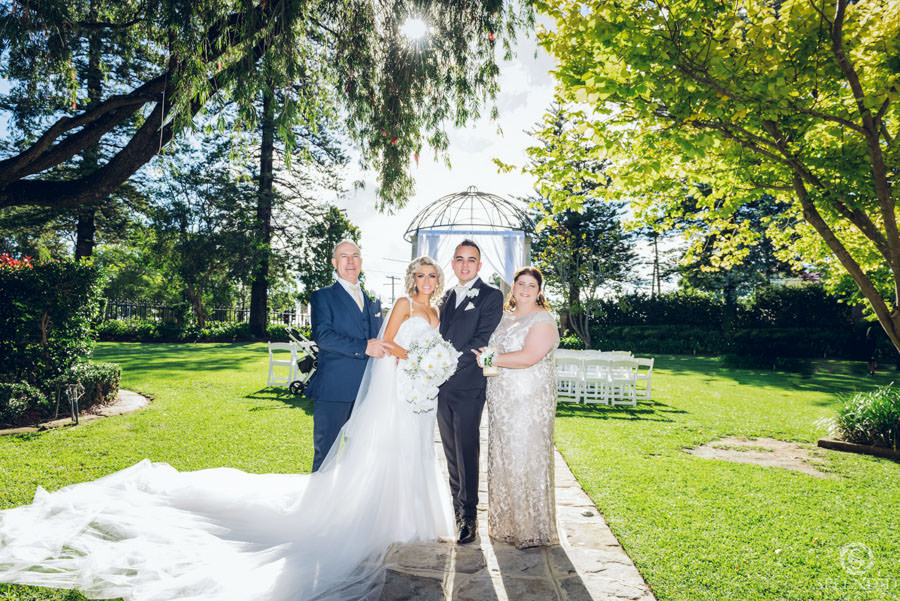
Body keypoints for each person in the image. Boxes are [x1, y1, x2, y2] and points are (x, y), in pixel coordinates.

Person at [0, 257, 456, 601]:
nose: (426, 281)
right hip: (380, 390)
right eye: (421, 275)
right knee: (359, 456)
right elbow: (379, 342)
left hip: (415, 396)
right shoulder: (386, 302)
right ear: (412, 277)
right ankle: (358, 519)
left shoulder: (421, 309)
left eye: (432, 276)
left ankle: (409, 518)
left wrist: (428, 367)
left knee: (402, 454)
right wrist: (414, 359)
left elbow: (402, 345)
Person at [474, 266, 560, 549]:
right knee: (504, 457)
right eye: (520, 283)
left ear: (539, 291)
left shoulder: (543, 319)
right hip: (502, 400)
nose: (524, 289)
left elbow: (529, 357)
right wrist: (485, 357)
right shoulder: (504, 317)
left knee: (525, 457)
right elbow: (493, 350)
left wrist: (492, 359)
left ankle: (530, 528)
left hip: (528, 401)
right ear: (512, 286)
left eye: (531, 285)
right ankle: (507, 525)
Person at [437, 239, 503, 544]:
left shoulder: (491, 296)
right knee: (450, 451)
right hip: (441, 387)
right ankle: (455, 508)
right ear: (453, 264)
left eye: (471, 259)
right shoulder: (446, 296)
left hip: (469, 386)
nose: (465, 265)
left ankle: (469, 516)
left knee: (466, 450)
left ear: (479, 265)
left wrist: (442, 363)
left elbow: (481, 340)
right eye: (460, 259)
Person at [306, 239, 388, 471]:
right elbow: (323, 337)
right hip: (334, 389)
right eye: (344, 256)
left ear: (361, 261)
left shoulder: (373, 300)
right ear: (334, 263)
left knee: (359, 457)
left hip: (368, 391)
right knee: (326, 457)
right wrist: (364, 347)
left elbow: (380, 338)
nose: (350, 261)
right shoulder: (322, 296)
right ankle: (321, 496)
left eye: (355, 255)